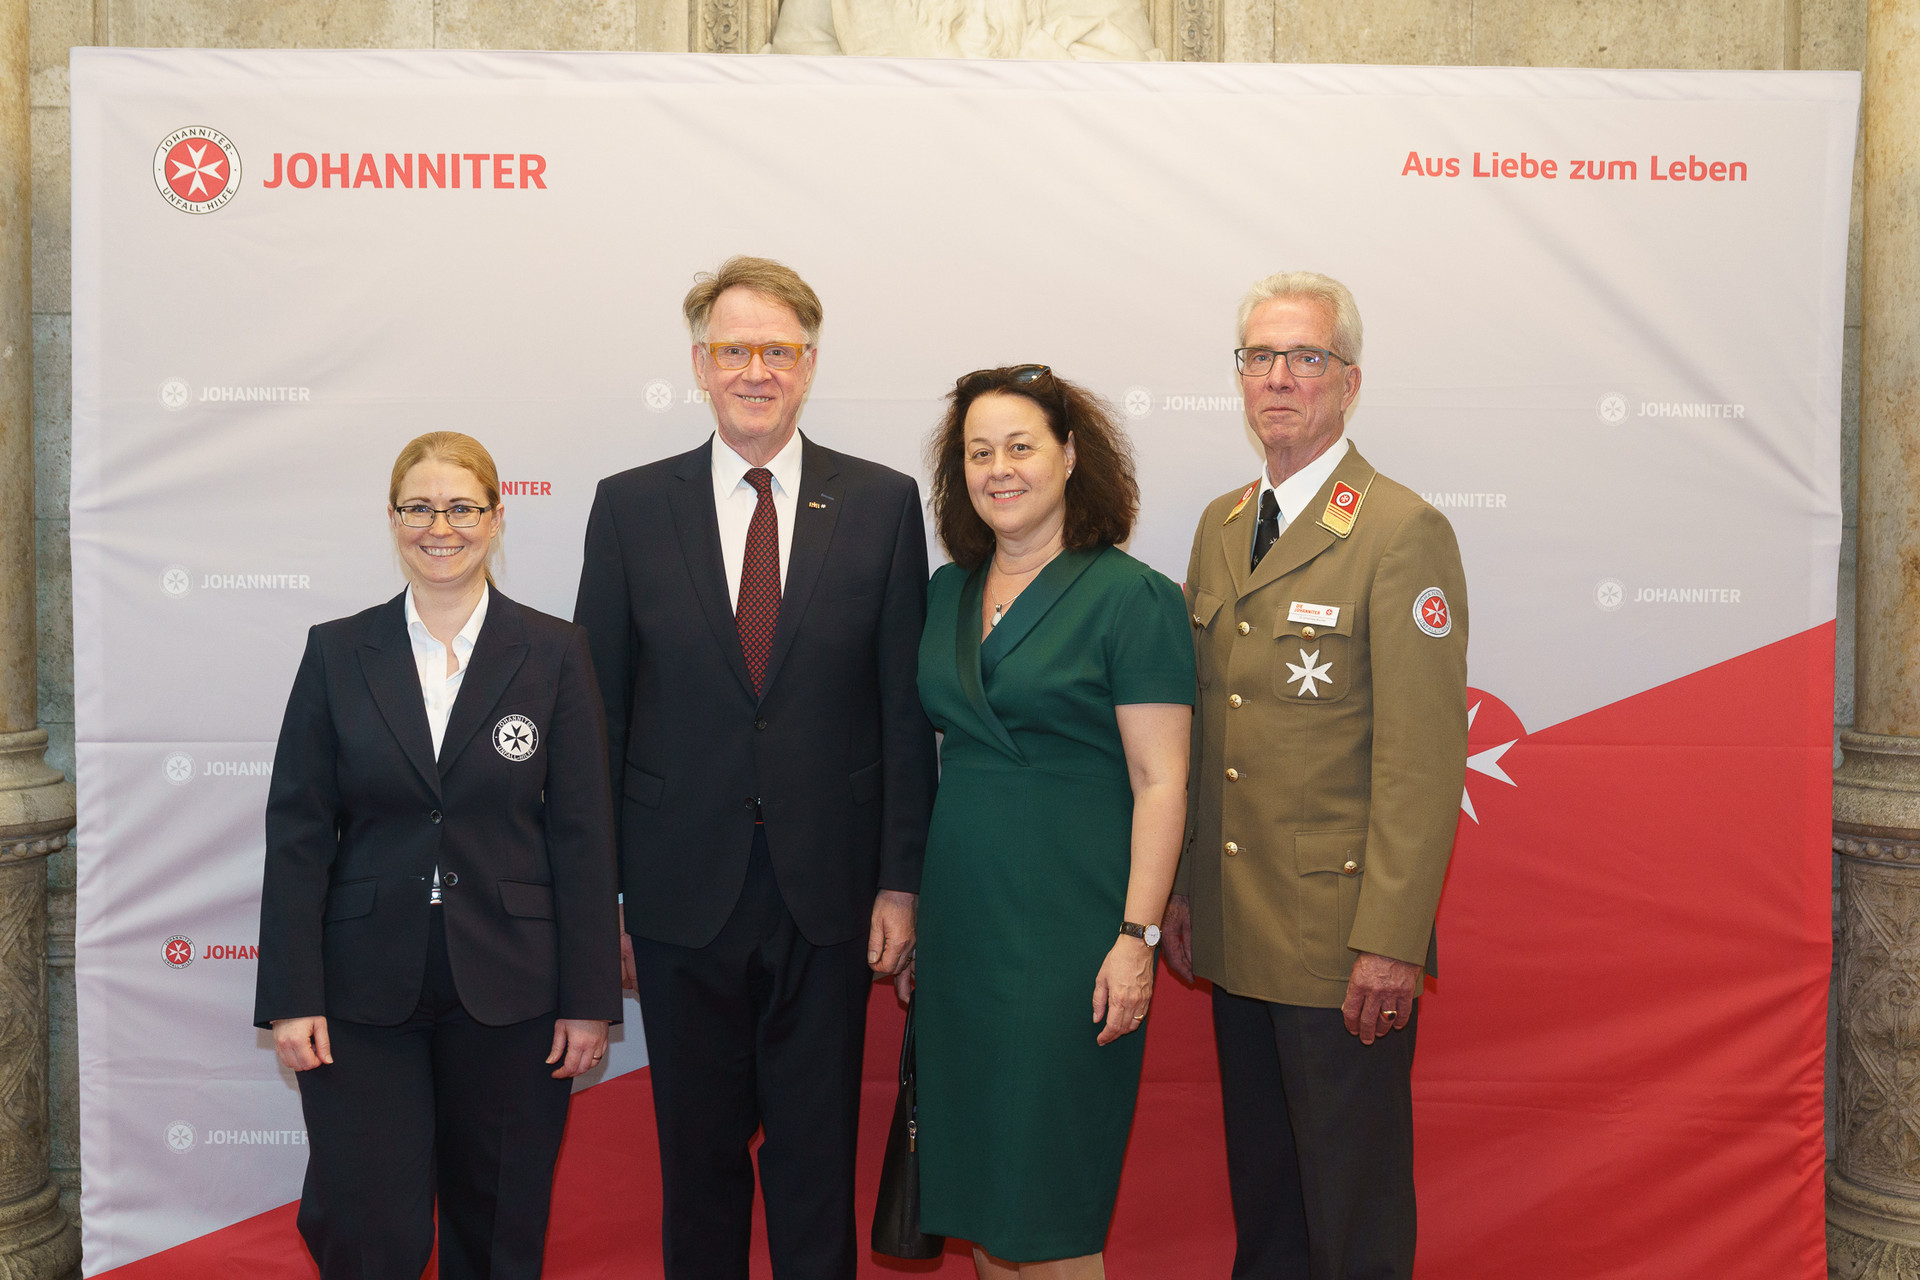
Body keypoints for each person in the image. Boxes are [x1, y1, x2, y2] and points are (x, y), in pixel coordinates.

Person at [572, 256, 938, 1280]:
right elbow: (598, 713)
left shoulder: (880, 502)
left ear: (810, 364)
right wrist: (597, 898)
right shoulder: (631, 506)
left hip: (830, 894)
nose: (756, 369)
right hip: (680, 889)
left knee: (817, 1158)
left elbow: (905, 714)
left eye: (778, 349)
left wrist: (902, 882)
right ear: (700, 363)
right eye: (735, 349)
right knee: (697, 1160)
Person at [254, 430, 622, 1280]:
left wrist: (589, 999)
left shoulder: (557, 653)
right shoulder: (338, 651)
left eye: (461, 507)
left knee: (497, 1226)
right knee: (366, 1223)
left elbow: (583, 835)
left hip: (516, 986)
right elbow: (299, 833)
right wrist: (290, 996)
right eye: (419, 507)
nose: (440, 526)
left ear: (496, 519)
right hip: (360, 989)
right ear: (392, 519)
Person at [1161, 271, 1469, 1280]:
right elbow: (1213, 733)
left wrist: (1388, 939)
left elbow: (1422, 759)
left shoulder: (1398, 528)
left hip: (1341, 944)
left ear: (1350, 380)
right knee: (1271, 1211)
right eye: (1259, 357)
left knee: (1353, 1216)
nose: (1280, 378)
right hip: (1240, 923)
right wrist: (1185, 888)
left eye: (1306, 358)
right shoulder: (1219, 523)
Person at [911, 364, 1194, 1279]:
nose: (1000, 469)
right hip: (963, 933)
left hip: (1075, 936)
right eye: (978, 452)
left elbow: (1162, 781)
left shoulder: (1131, 597)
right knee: (986, 1209)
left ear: (1072, 457)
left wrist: (1136, 937)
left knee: (1052, 1215)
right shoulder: (945, 594)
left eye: (1021, 446)